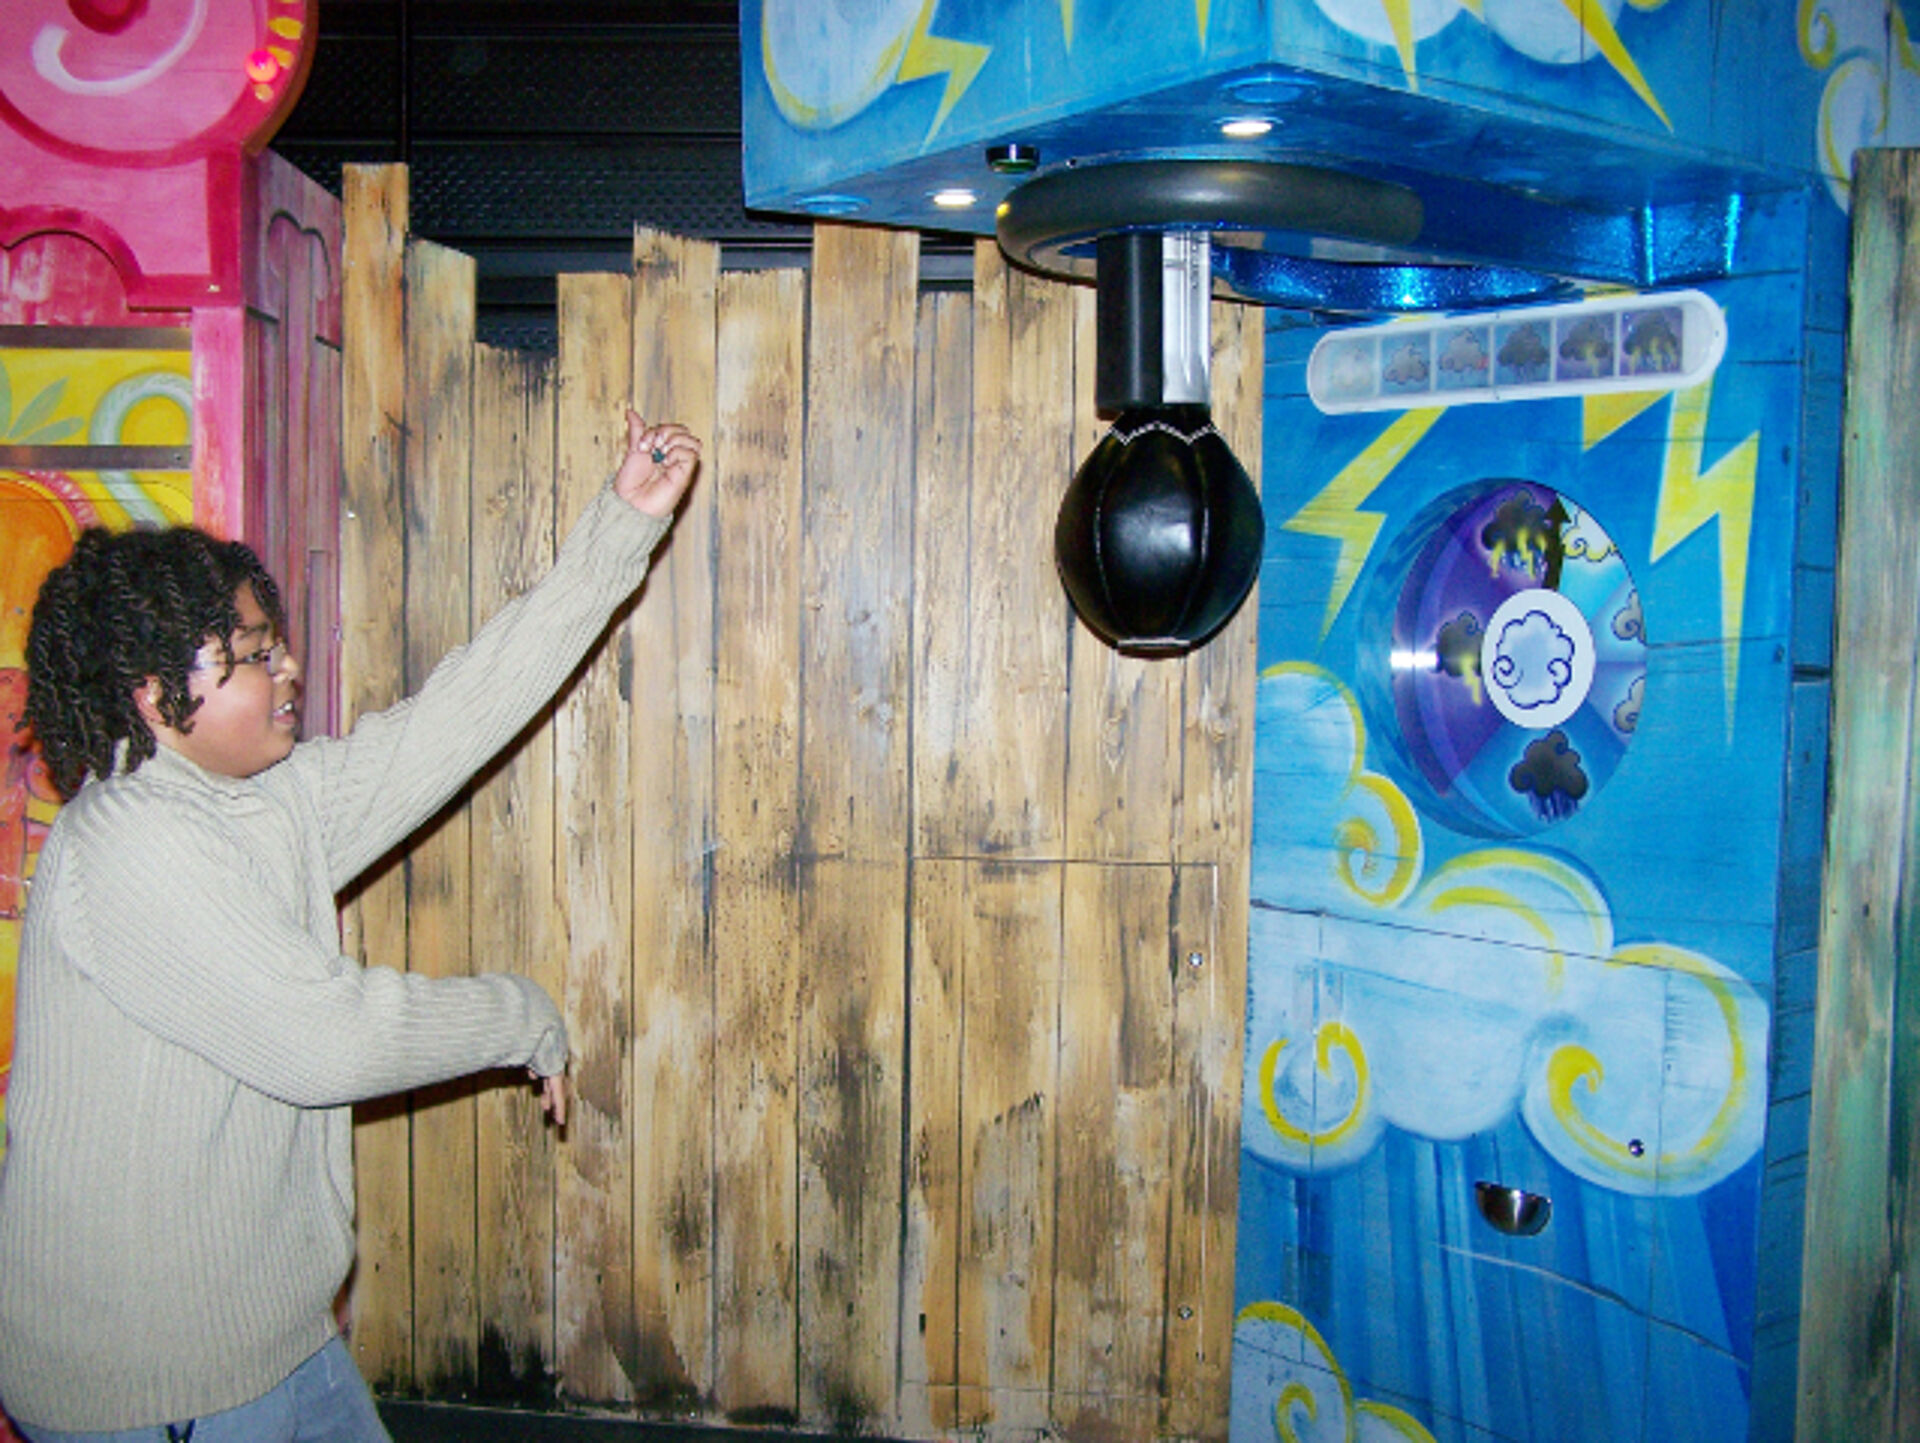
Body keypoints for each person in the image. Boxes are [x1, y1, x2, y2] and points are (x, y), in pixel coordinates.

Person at [0, 411, 700, 1442]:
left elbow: (460, 716)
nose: (286, 669)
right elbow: (328, 1040)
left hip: (276, 1345)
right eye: (252, 655)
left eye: (277, 645)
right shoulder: (129, 845)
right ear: (154, 695)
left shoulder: (262, 800)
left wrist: (620, 528)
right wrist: (519, 1013)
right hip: (155, 1387)